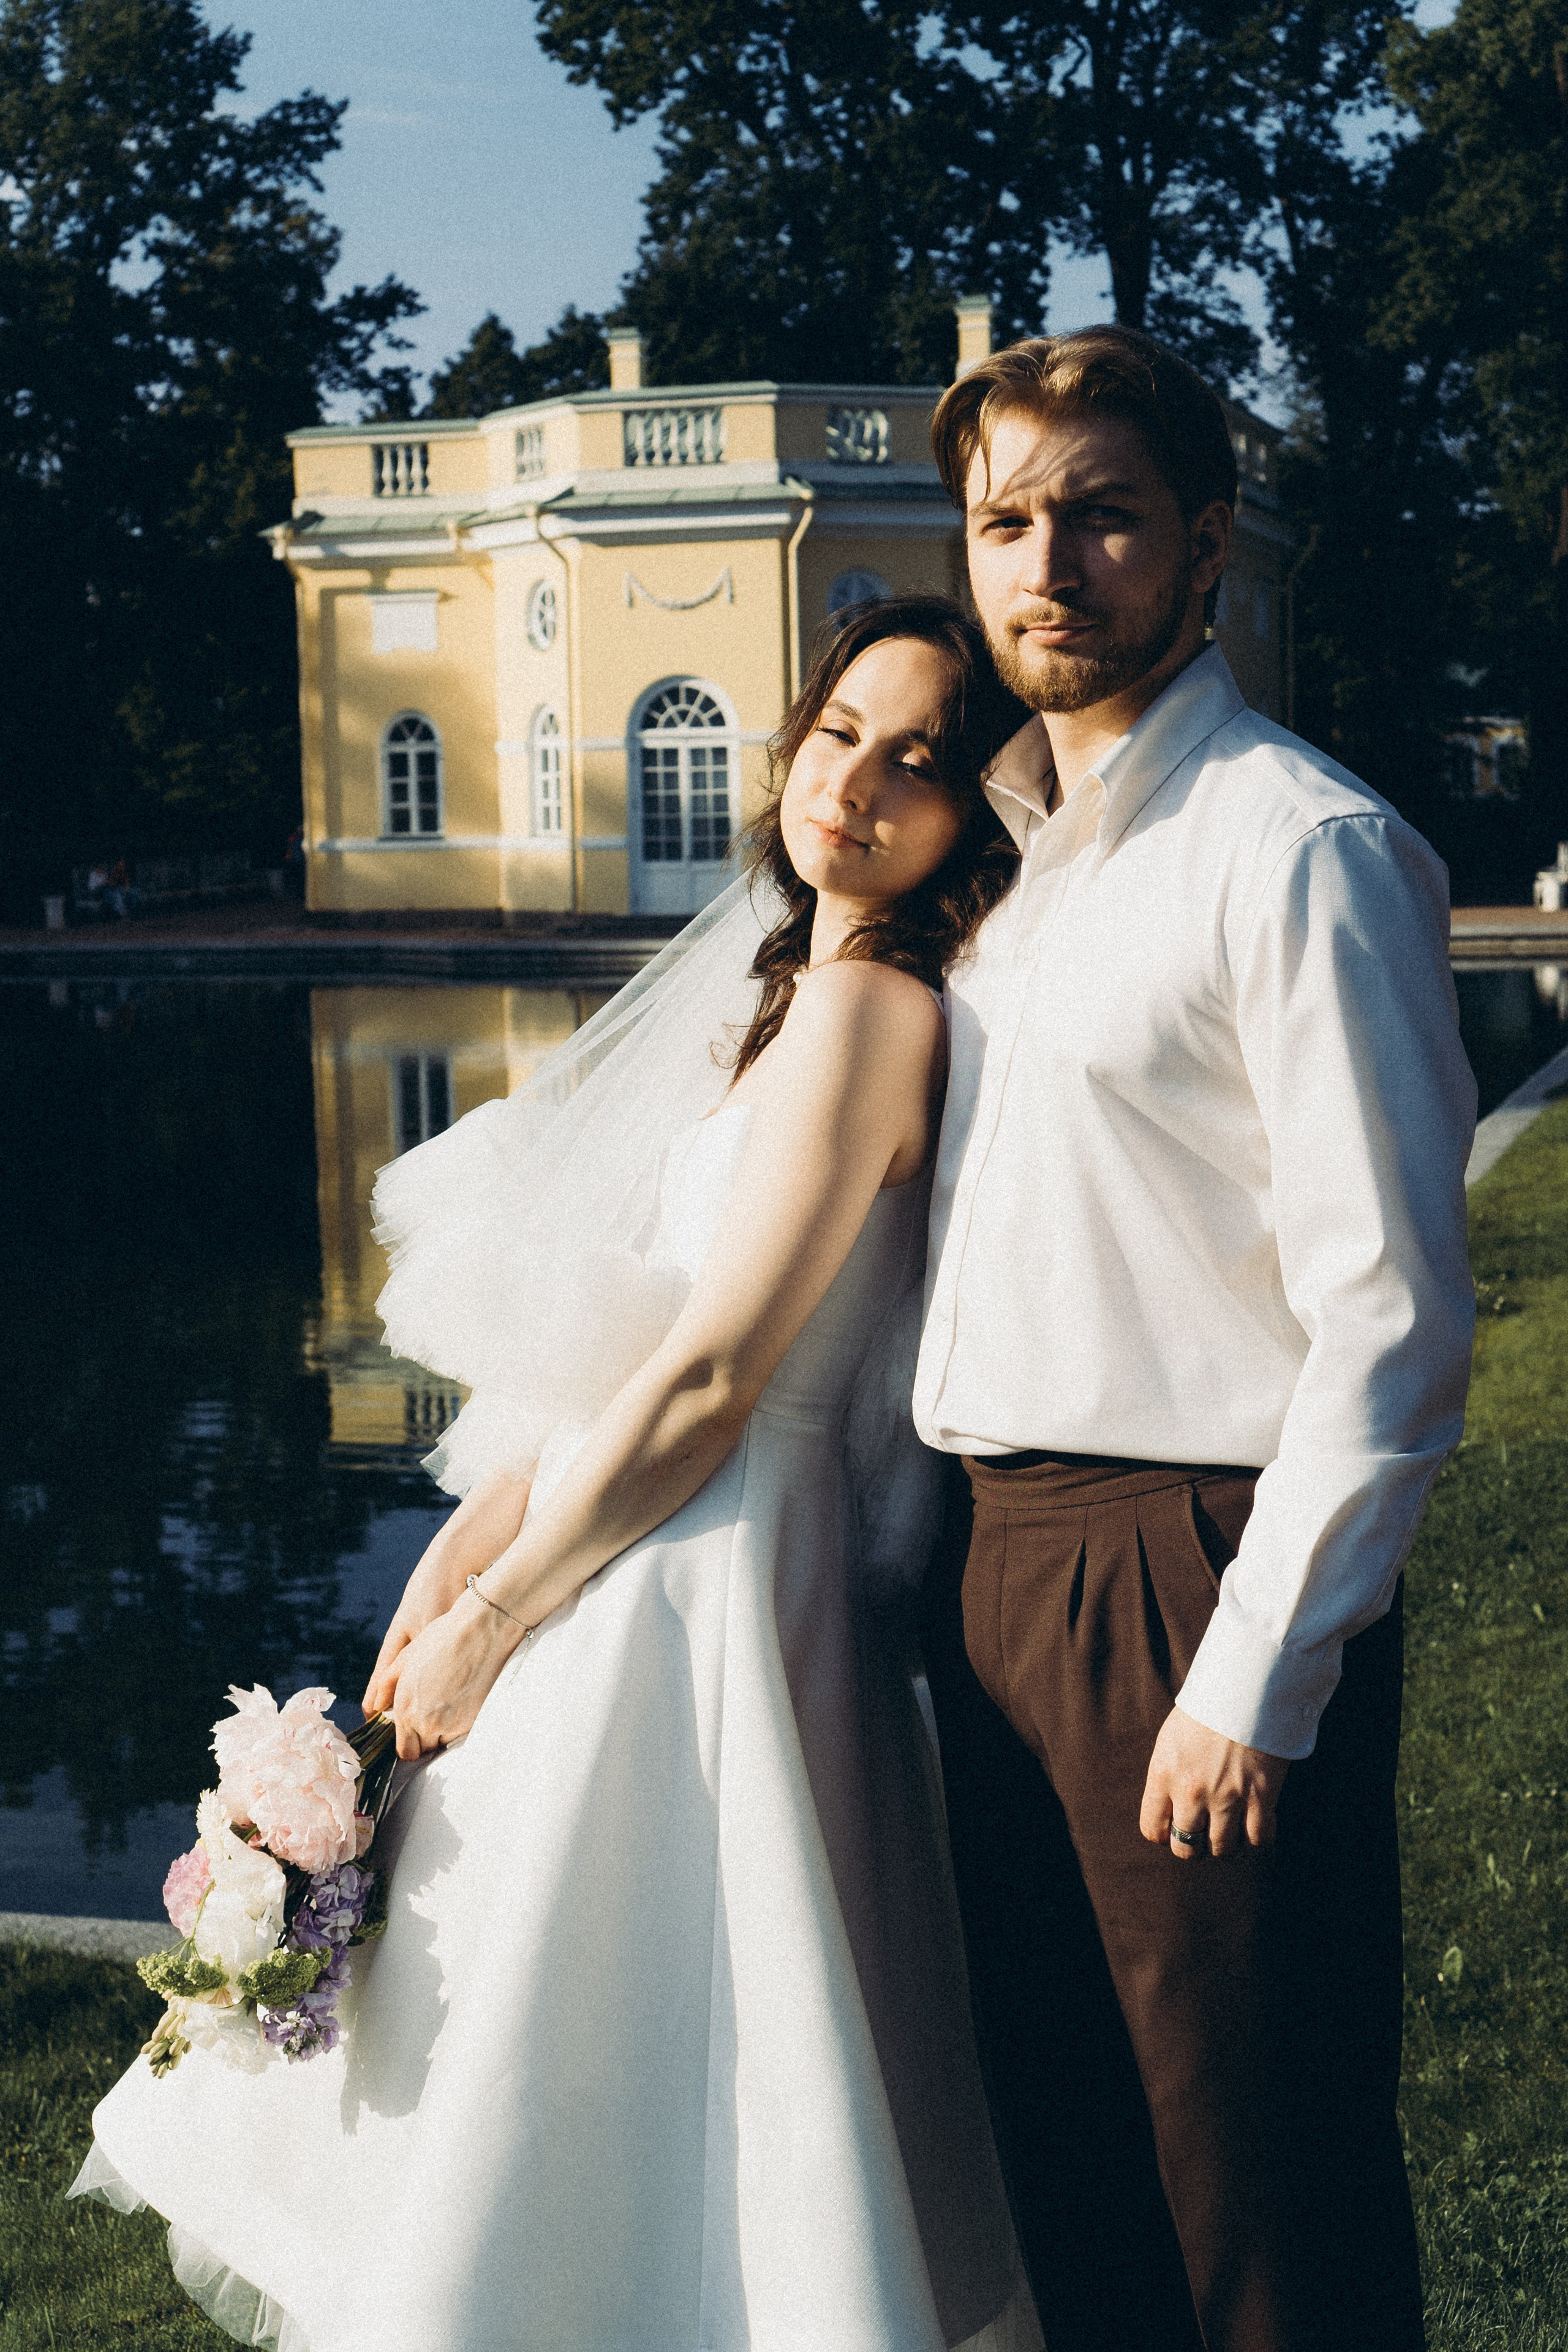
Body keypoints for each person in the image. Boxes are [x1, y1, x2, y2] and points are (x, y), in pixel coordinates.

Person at [72, 595, 1042, 2352]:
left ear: (975, 811)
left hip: (715, 1565)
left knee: (645, 2029)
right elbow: (634, 1348)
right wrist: (473, 1540)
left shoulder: (873, 1011)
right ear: (790, 744)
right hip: (659, 1527)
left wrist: (501, 1612)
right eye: (842, 733)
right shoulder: (801, 997)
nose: (862, 783)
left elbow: (722, 1374)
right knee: (563, 2018)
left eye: (921, 759)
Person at [914, 326, 1476, 2352]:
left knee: (1256, 2185)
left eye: (1103, 515)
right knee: (1074, 2161)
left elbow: (1395, 1317)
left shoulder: (1297, 850)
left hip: (1184, 1570)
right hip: (994, 1565)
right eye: (1004, 522)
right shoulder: (1014, 859)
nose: (1046, 565)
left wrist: (1255, 1666)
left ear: (1207, 542)